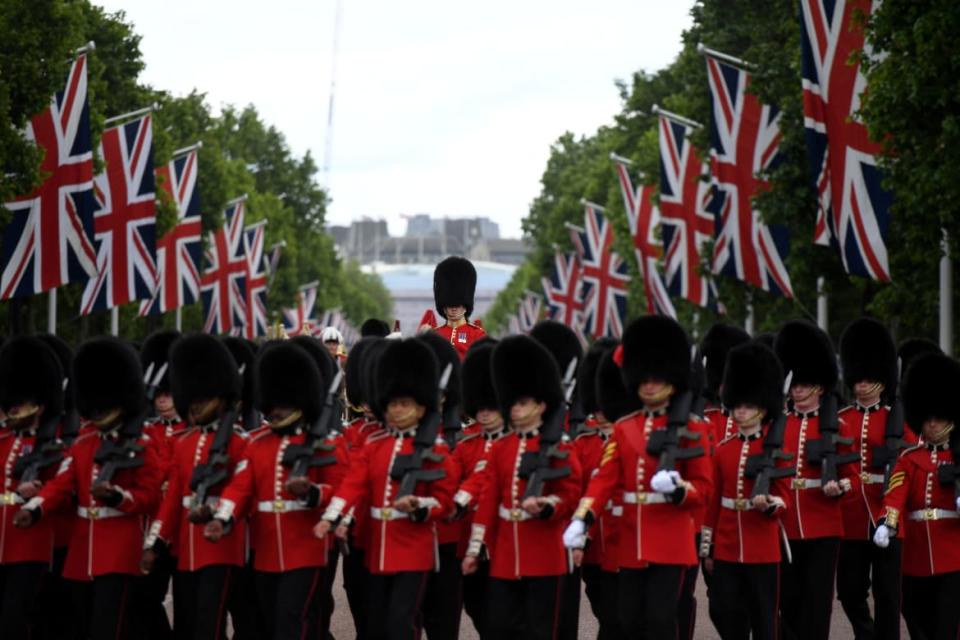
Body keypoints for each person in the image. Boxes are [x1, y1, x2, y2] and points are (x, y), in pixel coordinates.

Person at [563, 316, 713, 638]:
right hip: (632, 539)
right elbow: (604, 479)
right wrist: (582, 518)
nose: (648, 385)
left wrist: (679, 490)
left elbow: (703, 488)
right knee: (628, 620)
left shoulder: (692, 429)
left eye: (656, 379)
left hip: (671, 541)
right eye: (643, 378)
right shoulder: (625, 426)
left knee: (660, 620)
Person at [15, 337, 164, 640]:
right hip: (82, 552)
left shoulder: (141, 445)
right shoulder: (84, 444)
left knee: (108, 628)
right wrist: (35, 507)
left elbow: (150, 496)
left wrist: (118, 497)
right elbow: (61, 484)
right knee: (82, 624)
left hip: (120, 550)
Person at [315, 338, 457, 640]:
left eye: (404, 404)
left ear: (421, 406)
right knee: (377, 622)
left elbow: (446, 499)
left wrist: (421, 506)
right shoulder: (375, 445)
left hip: (415, 549)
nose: (397, 410)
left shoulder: (435, 448)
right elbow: (353, 483)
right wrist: (335, 516)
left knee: (403, 622)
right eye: (392, 403)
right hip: (378, 546)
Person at [204, 340, 347, 640]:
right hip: (267, 551)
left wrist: (311, 493)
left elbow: (341, 491)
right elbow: (240, 487)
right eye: (274, 405)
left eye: (284, 404)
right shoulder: (258, 444)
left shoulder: (323, 443)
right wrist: (222, 517)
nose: (277, 411)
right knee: (271, 619)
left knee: (291, 619)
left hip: (307, 548)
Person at [463, 335, 582, 640]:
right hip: (506, 555)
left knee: (541, 631)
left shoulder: (558, 446)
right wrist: (476, 546)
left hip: (545, 553)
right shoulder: (503, 447)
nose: (514, 409)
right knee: (501, 626)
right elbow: (489, 498)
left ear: (541, 405)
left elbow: (570, 493)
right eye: (512, 402)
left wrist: (548, 506)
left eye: (523, 403)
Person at [141, 334, 246, 640]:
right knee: (187, 623)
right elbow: (173, 500)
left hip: (221, 546)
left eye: (204, 399)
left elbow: (241, 490)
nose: (196, 406)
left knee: (208, 624)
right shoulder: (184, 443)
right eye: (193, 399)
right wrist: (155, 543)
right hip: (186, 547)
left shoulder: (239, 442)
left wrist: (220, 517)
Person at [700, 342, 789, 640]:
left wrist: (772, 503)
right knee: (721, 609)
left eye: (748, 406)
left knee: (764, 618)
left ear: (763, 408)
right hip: (726, 545)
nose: (741, 411)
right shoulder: (724, 450)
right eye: (737, 405)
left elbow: (785, 494)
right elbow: (713, 501)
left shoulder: (775, 447)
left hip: (762, 546)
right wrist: (708, 547)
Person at [774, 320, 856, 640]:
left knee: (818, 600)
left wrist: (840, 489)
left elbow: (853, 478)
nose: (797, 390)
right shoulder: (778, 425)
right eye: (795, 384)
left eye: (804, 385)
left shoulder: (838, 426)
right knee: (788, 598)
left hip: (823, 523)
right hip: (786, 521)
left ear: (819, 387)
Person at [874, 352, 960, 639]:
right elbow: (895, 492)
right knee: (917, 620)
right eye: (927, 419)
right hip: (917, 555)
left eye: (938, 418)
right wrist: (887, 522)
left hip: (953, 555)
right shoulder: (909, 458)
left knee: (947, 626)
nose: (932, 424)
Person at [837, 318, 913, 640]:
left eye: (869, 377)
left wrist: (891, 511)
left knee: (888, 594)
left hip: (888, 514)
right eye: (858, 378)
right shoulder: (842, 420)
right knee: (850, 592)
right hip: (853, 515)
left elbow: (908, 464)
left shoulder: (899, 420)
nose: (862, 384)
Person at [0, 337, 66, 638]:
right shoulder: (4, 440)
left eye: (25, 402)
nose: (18, 408)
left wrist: (37, 495)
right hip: (3, 542)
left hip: (29, 543)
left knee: (17, 619)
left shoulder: (53, 443)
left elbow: (64, 486)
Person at [451, 339, 506, 637]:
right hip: (470, 540)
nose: (485, 412)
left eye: (491, 406)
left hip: (506, 540)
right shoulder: (467, 443)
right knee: (476, 606)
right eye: (480, 406)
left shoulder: (517, 442)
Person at [428, 256, 486, 359]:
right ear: (444, 307)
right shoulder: (434, 335)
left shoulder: (477, 335)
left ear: (465, 306)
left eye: (457, 304)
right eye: (449, 305)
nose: (453, 309)